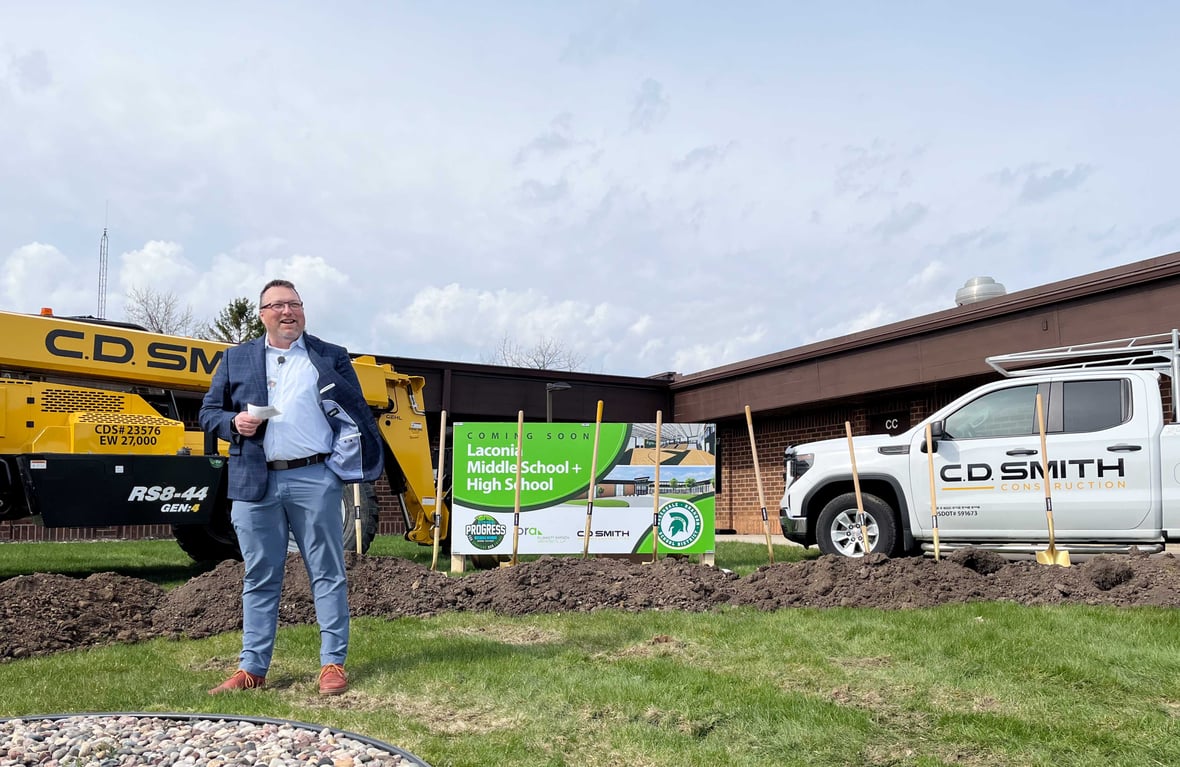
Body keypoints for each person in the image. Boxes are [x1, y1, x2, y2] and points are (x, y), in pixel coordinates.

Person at [200, 279, 384, 696]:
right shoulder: (236, 359)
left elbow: (355, 413)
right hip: (253, 481)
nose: (288, 312)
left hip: (315, 479)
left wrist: (339, 467)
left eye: (295, 304)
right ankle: (252, 669)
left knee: (327, 571)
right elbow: (208, 412)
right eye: (278, 305)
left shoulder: (330, 357)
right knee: (260, 575)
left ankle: (332, 664)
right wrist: (233, 424)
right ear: (262, 313)